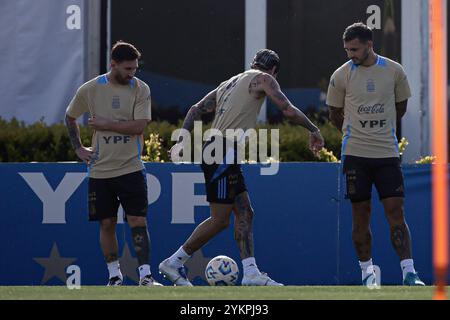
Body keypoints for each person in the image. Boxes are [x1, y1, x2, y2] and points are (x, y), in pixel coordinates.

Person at [159, 49, 324, 286]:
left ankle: (251, 273)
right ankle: (174, 262)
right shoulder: (265, 79)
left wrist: (182, 139)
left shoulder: (230, 82)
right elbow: (286, 109)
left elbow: (195, 109)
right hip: (221, 151)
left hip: (219, 150)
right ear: (274, 71)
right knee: (219, 220)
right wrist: (313, 129)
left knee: (245, 212)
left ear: (252, 63)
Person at [326, 22, 425, 286]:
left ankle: (409, 273)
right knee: (361, 213)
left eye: (355, 49)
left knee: (395, 211)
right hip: (355, 155)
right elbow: (334, 113)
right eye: (347, 49)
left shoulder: (394, 71)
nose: (351, 55)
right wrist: (353, 132)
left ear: (369, 45)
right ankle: (367, 273)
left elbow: (400, 106)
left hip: (386, 154)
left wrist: (381, 129)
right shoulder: (341, 75)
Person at [65, 41, 162, 286]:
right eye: (128, 69)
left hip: (131, 167)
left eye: (135, 69)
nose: (132, 74)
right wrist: (78, 147)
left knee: (137, 221)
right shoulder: (90, 89)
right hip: (100, 170)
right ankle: (114, 276)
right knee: (106, 223)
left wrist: (106, 124)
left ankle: (145, 276)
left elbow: (139, 126)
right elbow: (70, 116)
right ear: (113, 64)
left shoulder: (141, 89)